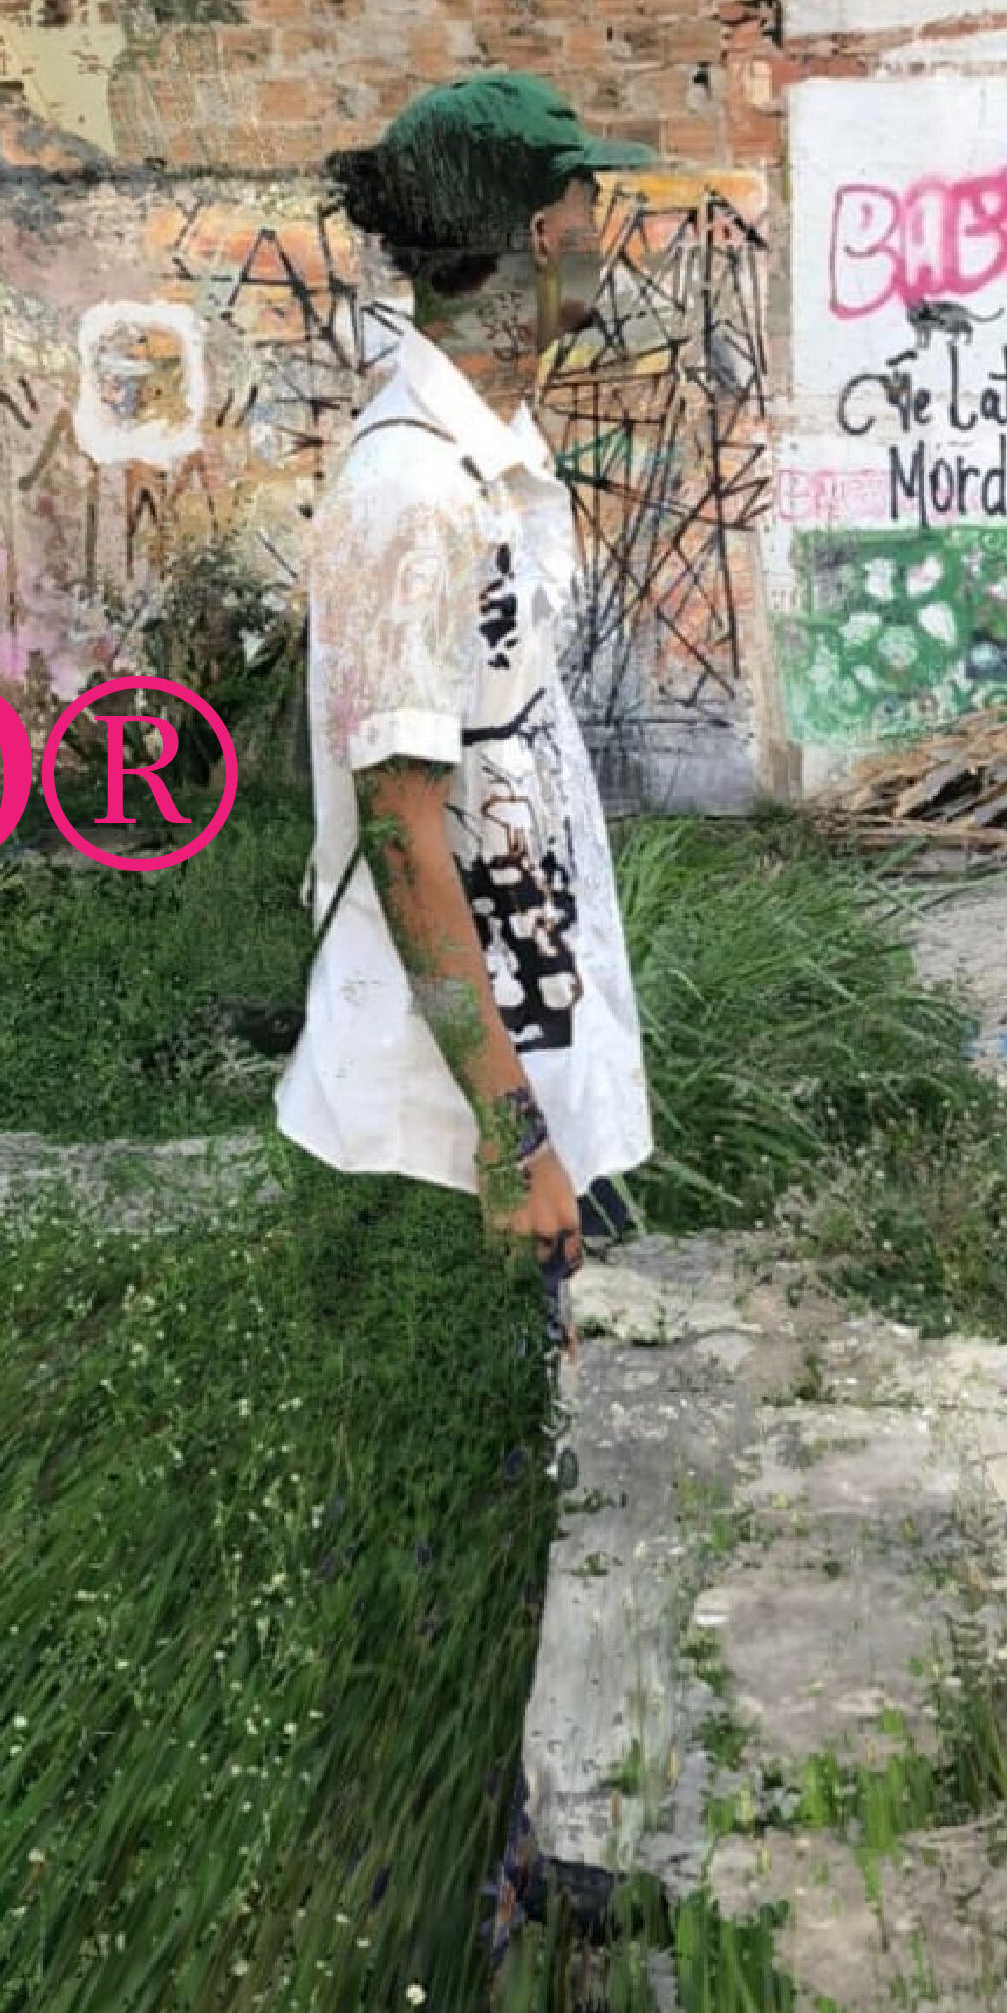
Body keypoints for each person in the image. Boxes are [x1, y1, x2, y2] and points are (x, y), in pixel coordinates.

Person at [273, 74, 657, 1327]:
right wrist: (509, 1138)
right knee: (458, 1395)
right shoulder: (415, 491)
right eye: (590, 211)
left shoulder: (491, 456)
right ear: (544, 235)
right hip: (444, 1130)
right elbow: (400, 829)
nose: (601, 240)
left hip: (521, 1044)